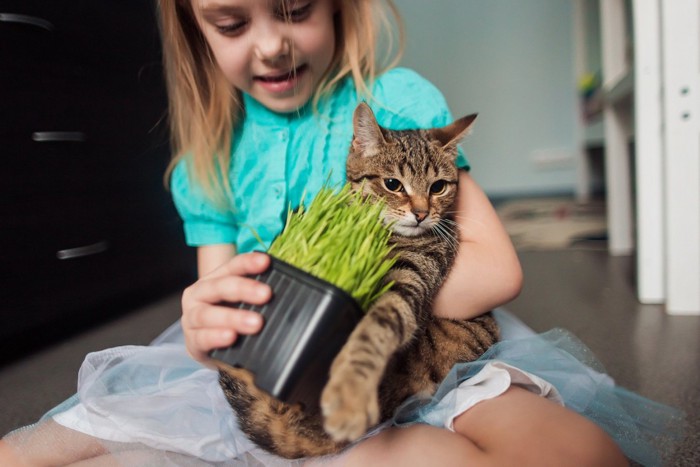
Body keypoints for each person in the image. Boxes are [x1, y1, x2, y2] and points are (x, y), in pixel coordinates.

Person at [0, 0, 681, 465]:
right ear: (194, 31)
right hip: (289, 374)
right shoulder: (212, 160)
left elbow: (499, 271)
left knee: (589, 455)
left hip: (436, 350)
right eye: (232, 23)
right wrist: (203, 323)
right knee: (43, 445)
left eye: (295, 9)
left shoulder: (395, 104)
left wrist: (365, 313)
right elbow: (218, 306)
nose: (271, 43)